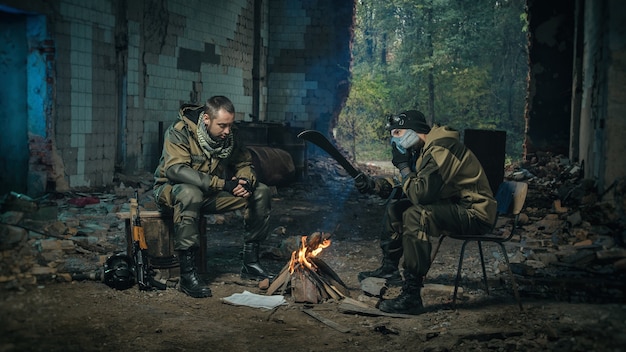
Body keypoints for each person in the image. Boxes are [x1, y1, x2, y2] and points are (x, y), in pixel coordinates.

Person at [354, 110, 496, 314]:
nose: (394, 140)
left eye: (397, 132)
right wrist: (375, 186)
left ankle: (411, 295)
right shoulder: (424, 151)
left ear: (414, 130)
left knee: (416, 214)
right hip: (455, 207)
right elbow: (409, 186)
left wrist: (403, 166)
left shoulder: (442, 148)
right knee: (397, 206)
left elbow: (420, 194)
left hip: (474, 213)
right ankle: (389, 269)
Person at [153, 95, 273, 298]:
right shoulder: (180, 131)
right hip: (172, 191)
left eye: (230, 125)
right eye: (222, 125)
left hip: (210, 194)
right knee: (191, 193)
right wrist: (224, 184)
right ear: (206, 119)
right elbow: (176, 170)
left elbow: (244, 163)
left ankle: (250, 262)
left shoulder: (230, 135)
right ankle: (188, 274)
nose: (227, 131)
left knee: (261, 191)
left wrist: (245, 182)